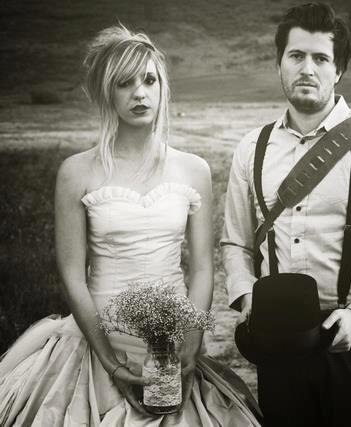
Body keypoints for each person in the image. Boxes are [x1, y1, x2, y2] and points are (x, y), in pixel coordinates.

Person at [0, 24, 261, 426]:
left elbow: (202, 268)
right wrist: (109, 360)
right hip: (95, 340)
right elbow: (72, 276)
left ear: (162, 89)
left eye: (149, 81)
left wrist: (191, 340)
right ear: (108, 92)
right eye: (125, 83)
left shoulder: (193, 169)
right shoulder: (76, 172)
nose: (140, 93)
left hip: (169, 343)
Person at [221, 3, 351, 426]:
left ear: (339, 70)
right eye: (296, 56)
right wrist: (247, 297)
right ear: (279, 63)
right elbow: (236, 242)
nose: (307, 69)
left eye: (321, 58)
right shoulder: (252, 148)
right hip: (278, 334)